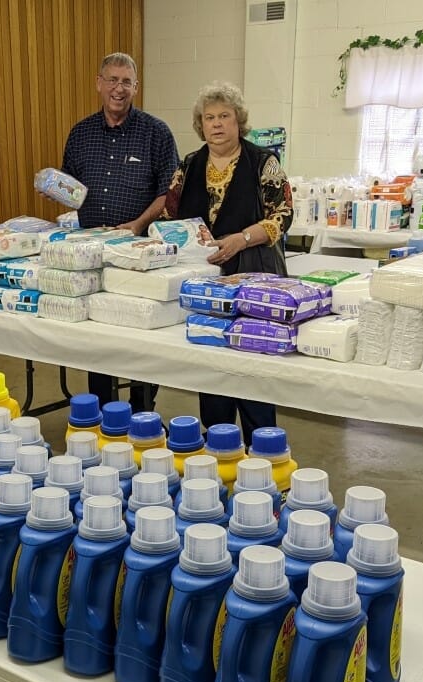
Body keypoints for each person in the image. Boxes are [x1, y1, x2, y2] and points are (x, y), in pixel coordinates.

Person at [162, 81, 293, 446]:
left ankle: (263, 446)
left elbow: (283, 215)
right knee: (213, 361)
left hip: (256, 271)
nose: (216, 124)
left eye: (224, 116)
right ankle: (220, 445)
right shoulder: (188, 165)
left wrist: (242, 238)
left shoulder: (264, 162)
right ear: (200, 125)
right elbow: (172, 217)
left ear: (239, 122)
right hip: (208, 277)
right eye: (209, 118)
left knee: (253, 364)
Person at [62, 52, 177, 413]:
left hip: (138, 253)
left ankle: (142, 408)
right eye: (111, 80)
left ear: (136, 87)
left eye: (126, 81)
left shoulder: (156, 133)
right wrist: (56, 189)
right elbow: (71, 187)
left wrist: (138, 224)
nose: (118, 88)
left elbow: (168, 191)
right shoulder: (80, 133)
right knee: (99, 336)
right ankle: (103, 408)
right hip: (92, 253)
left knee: (140, 335)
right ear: (99, 83)